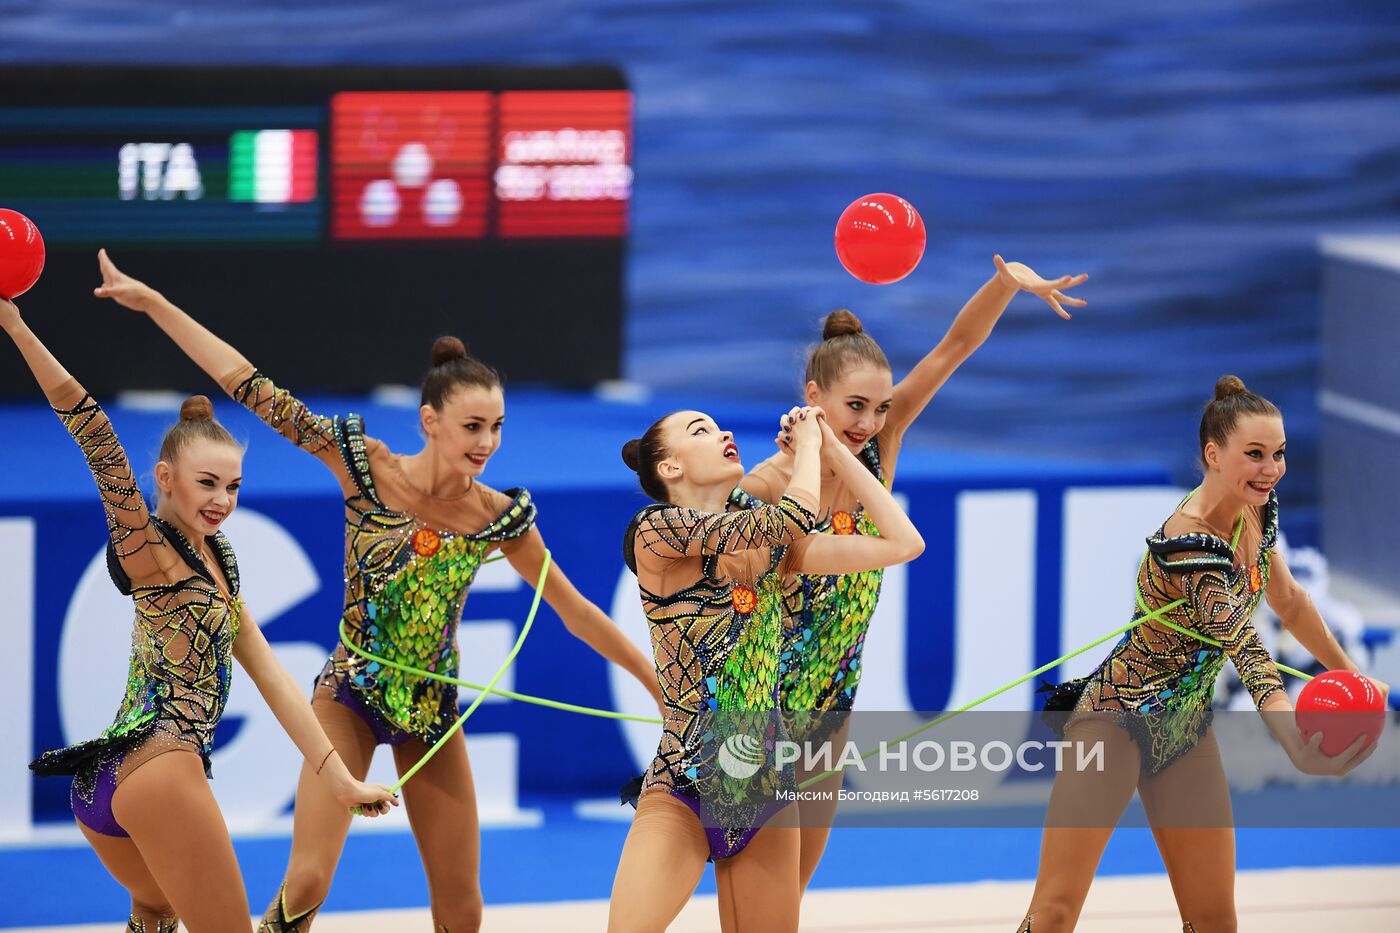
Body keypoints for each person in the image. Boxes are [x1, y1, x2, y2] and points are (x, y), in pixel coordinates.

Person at [91, 250, 664, 932]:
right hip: (349, 695)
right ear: (430, 420)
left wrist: (657, 686)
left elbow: (577, 612)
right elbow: (249, 386)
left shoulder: (499, 518)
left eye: (497, 426)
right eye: (472, 426)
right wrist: (156, 305)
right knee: (306, 881)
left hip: (431, 707)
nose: (487, 442)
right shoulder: (364, 466)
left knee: (464, 908)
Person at [3, 296, 395, 933]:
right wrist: (16, 325)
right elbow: (94, 431)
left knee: (155, 914)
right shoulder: (149, 548)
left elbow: (272, 675)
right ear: (165, 477)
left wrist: (341, 781)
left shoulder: (222, 562)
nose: (222, 500)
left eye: (233, 486)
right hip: (160, 770)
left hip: (106, 785)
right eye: (206, 483)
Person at [733, 255, 1088, 888]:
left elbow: (953, 347)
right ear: (813, 399)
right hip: (764, 704)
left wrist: (1005, 284)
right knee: (759, 880)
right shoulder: (765, 486)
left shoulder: (878, 447)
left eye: (880, 407)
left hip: (832, 697)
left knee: (794, 882)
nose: (869, 422)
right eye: (855, 406)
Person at [1021, 376, 1390, 932]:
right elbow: (1249, 649)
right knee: (1053, 912)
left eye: (1279, 454)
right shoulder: (1187, 543)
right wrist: (1295, 743)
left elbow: (1288, 603)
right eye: (1255, 454)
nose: (1271, 469)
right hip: (1113, 723)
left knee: (1216, 920)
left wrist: (1355, 679)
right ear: (1213, 455)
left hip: (1184, 727)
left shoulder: (1255, 510)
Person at [610, 405, 923, 933]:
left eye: (717, 425)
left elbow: (903, 543)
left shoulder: (771, 551)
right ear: (669, 469)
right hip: (684, 787)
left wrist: (836, 453)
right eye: (700, 431)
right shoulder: (654, 531)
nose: (723, 432)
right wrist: (805, 449)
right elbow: (790, 516)